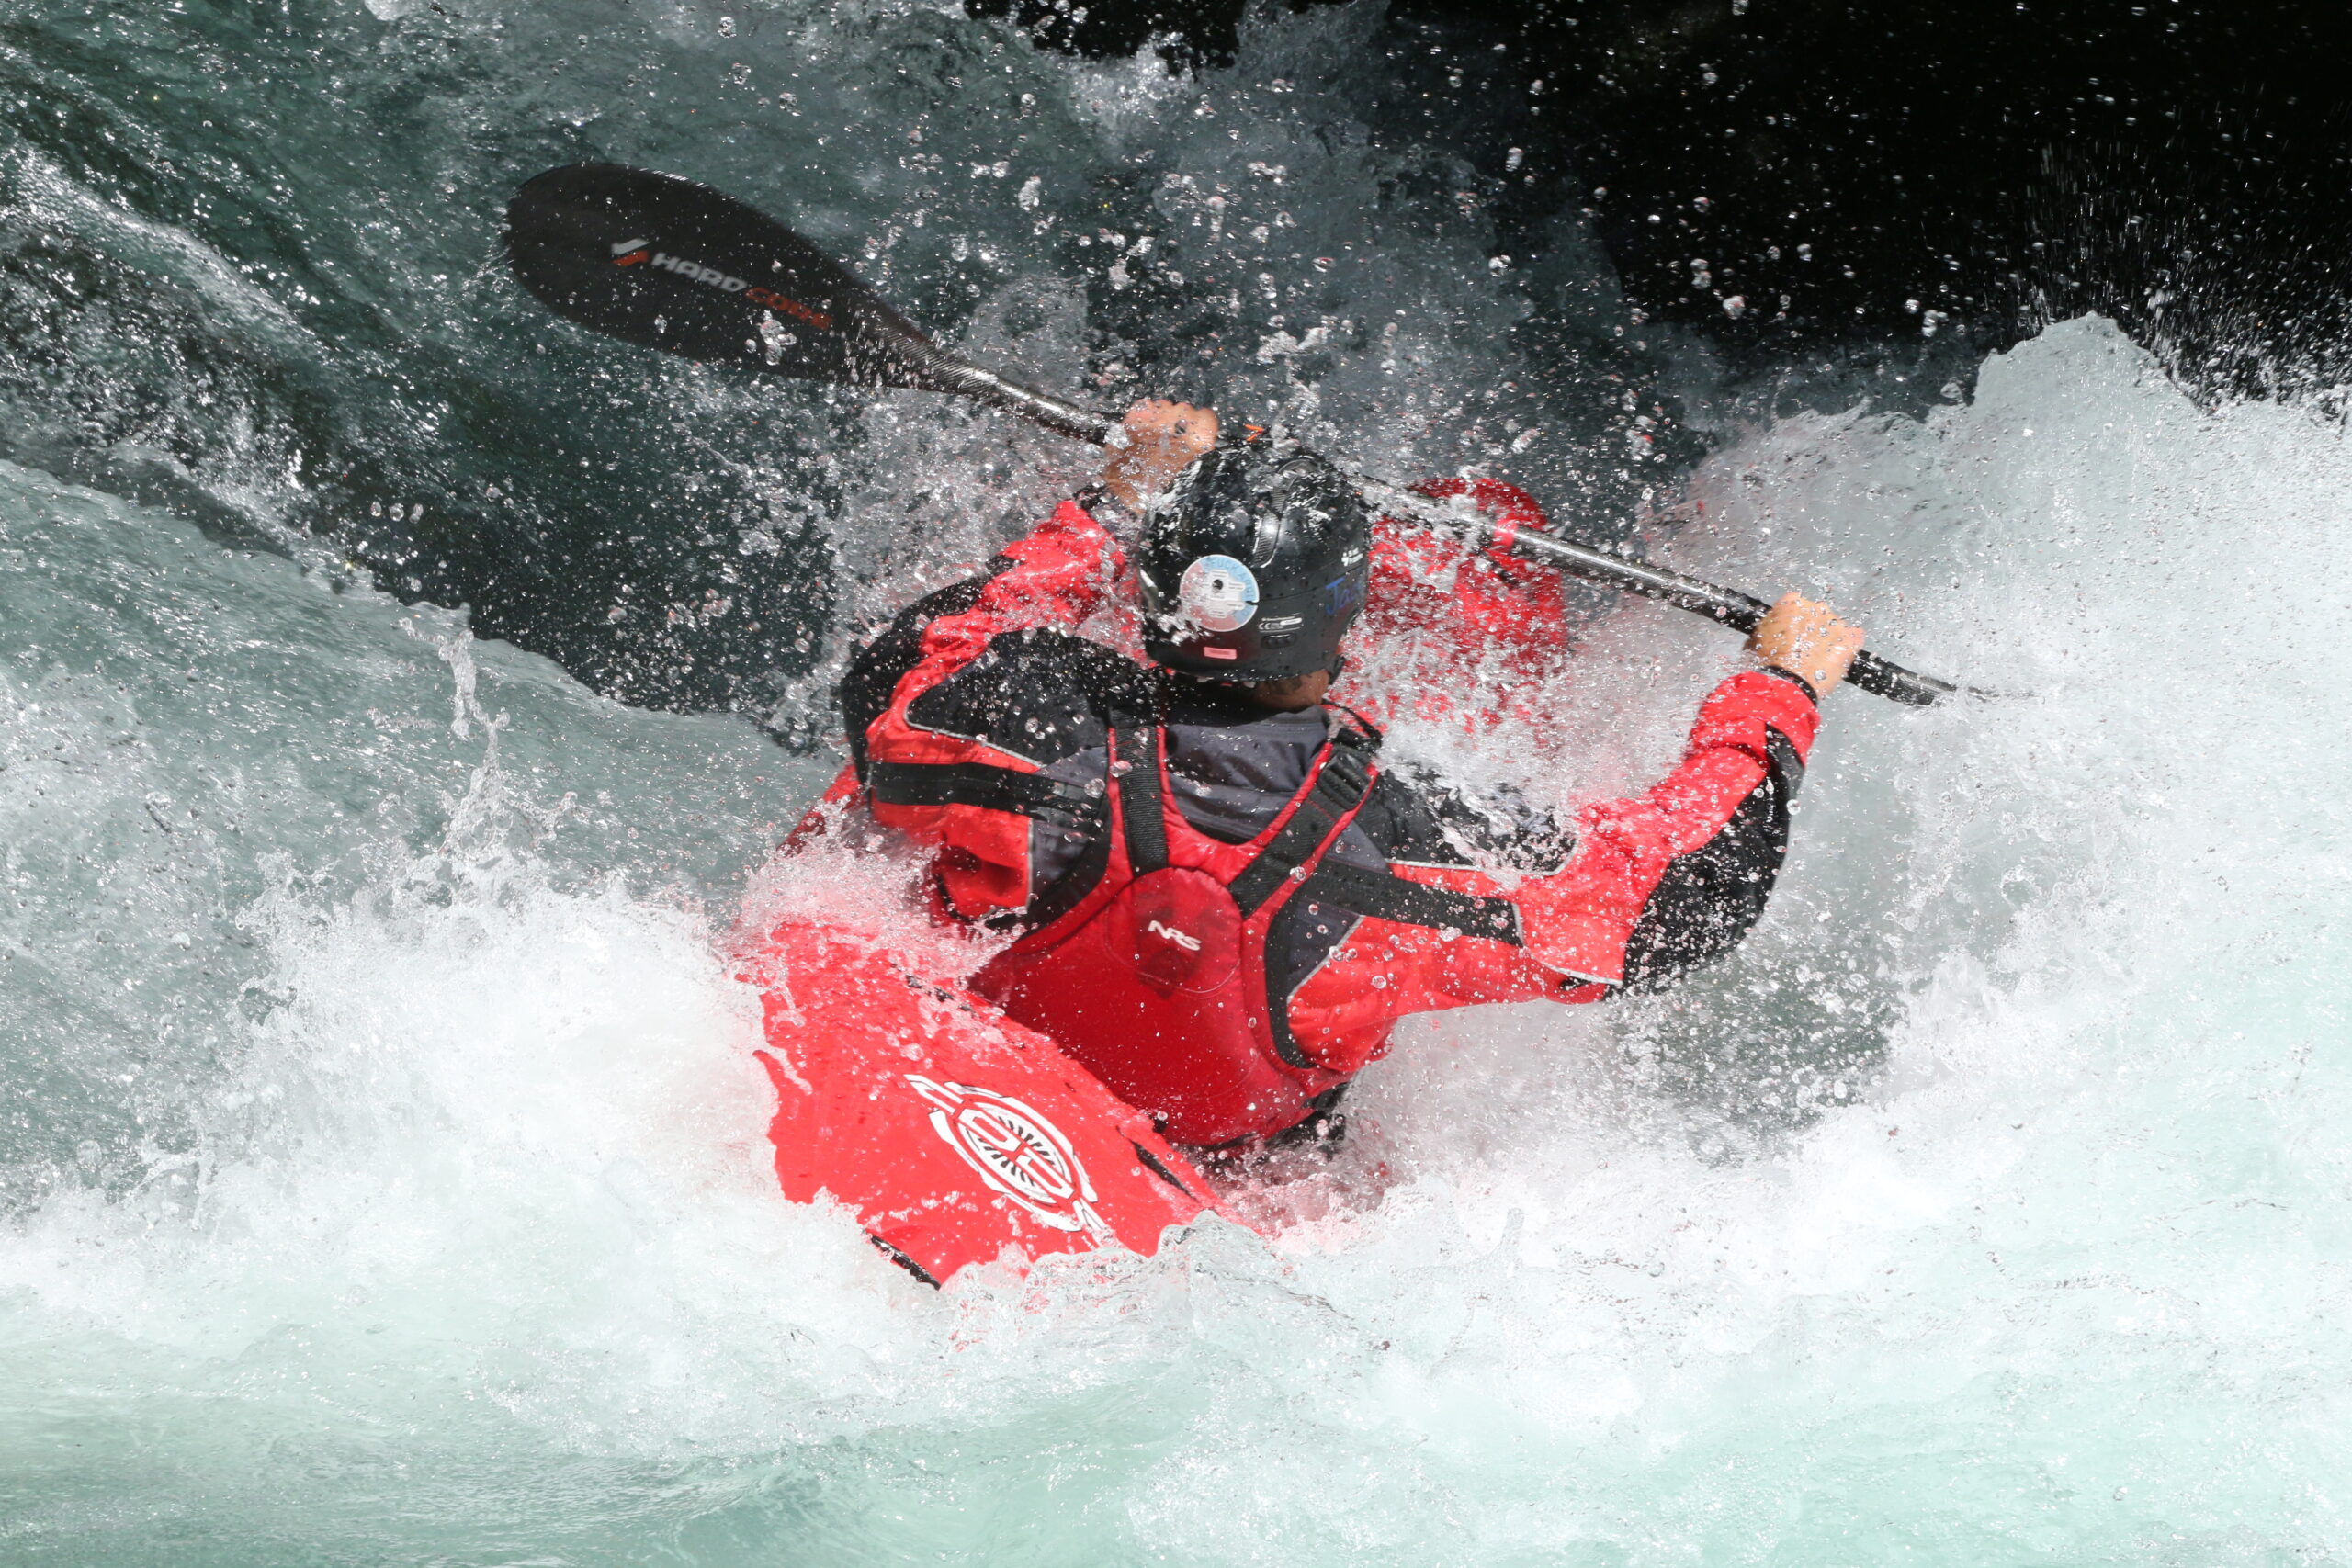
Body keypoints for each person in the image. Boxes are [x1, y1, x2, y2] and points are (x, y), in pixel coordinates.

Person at [824, 400, 1865, 1154]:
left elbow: (906, 660)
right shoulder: (1402, 835)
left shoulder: (1015, 710)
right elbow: (1675, 900)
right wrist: (1776, 688)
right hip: (1234, 1158)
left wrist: (1117, 495)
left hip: (973, 1060)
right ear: (1341, 621)